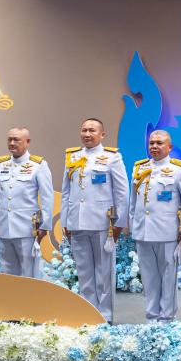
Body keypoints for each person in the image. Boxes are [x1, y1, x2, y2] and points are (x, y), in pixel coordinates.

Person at [60, 118, 128, 324]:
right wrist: (65, 221)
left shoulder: (112, 157)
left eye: (92, 130)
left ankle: (105, 316)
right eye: (84, 130)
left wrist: (119, 223)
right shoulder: (72, 156)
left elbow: (122, 192)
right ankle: (88, 313)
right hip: (77, 222)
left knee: (104, 272)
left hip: (102, 224)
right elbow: (66, 192)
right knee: (84, 271)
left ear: (102, 134)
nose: (87, 134)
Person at [129, 130, 181, 323]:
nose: (154, 146)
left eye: (159, 143)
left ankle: (166, 317)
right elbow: (133, 203)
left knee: (168, 277)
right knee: (148, 277)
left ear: (169, 147)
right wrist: (133, 227)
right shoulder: (139, 168)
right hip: (143, 231)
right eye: (152, 143)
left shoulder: (179, 170)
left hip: (168, 232)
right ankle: (151, 316)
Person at [0, 127, 53, 278]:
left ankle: (29, 295)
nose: (12, 143)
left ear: (27, 142)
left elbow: (47, 197)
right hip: (4, 228)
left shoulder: (38, 165)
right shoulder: (0, 165)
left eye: (16, 140)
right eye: (9, 139)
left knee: (28, 272)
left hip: (27, 229)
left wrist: (45, 225)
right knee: (6, 272)